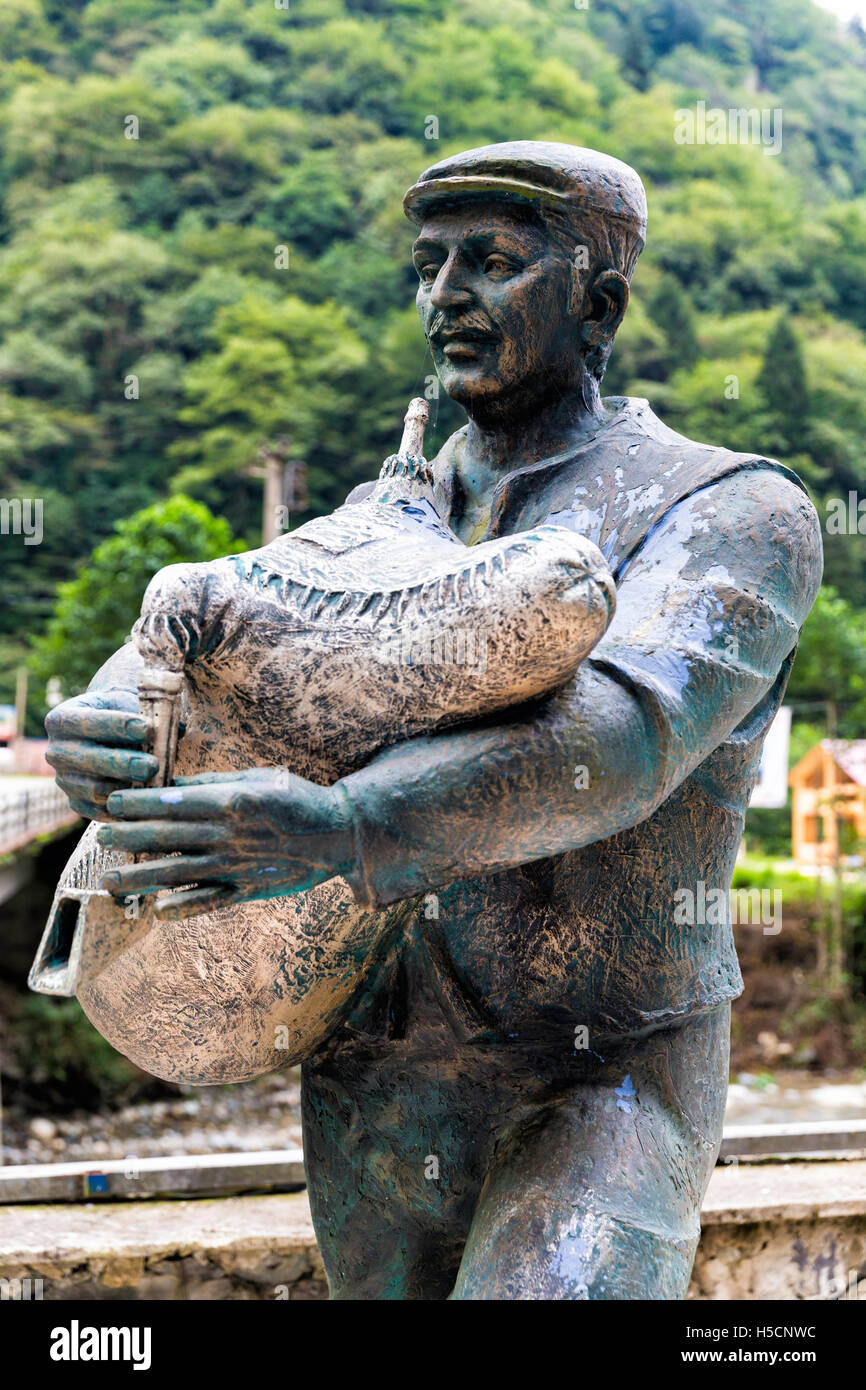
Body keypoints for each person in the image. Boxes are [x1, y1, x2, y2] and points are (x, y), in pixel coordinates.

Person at [45, 143, 822, 1299]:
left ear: (596, 301)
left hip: (601, 1070)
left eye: (493, 261)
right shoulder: (376, 514)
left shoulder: (731, 511)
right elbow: (222, 624)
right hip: (374, 1072)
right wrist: (109, 719)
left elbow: (612, 745)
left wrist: (344, 826)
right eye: (429, 263)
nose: (444, 294)